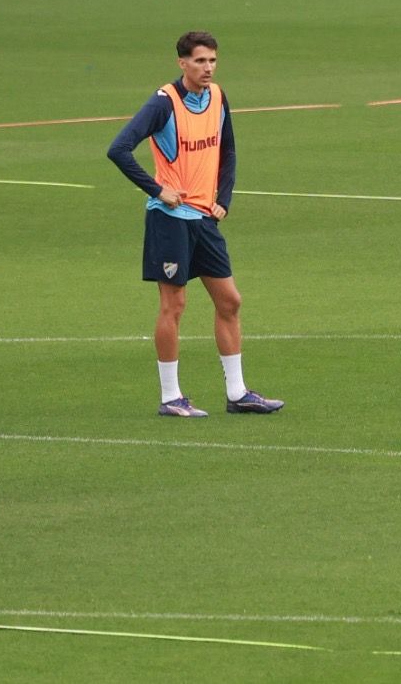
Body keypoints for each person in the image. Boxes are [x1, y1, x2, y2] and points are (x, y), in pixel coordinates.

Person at [108, 31, 282, 418]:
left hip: (204, 219)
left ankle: (237, 393)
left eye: (213, 61)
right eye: (200, 61)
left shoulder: (217, 97)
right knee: (175, 305)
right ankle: (171, 397)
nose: (208, 68)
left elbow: (228, 149)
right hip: (169, 221)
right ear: (182, 63)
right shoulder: (163, 103)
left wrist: (224, 198)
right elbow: (118, 149)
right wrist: (157, 189)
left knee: (230, 301)